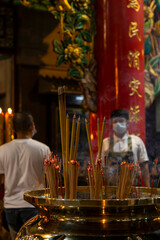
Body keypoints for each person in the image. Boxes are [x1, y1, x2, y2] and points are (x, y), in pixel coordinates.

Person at [0, 112, 50, 240]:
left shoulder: (3, 150)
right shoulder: (43, 149)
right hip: (32, 205)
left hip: (11, 207)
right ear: (32, 126)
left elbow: (2, 180)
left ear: (13, 129)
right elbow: (49, 179)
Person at [101, 109, 150, 187]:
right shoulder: (105, 143)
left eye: (121, 121)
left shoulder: (137, 141)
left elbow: (144, 166)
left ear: (127, 123)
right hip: (110, 190)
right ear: (111, 124)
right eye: (115, 121)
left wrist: (147, 188)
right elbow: (100, 167)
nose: (118, 124)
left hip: (133, 189)